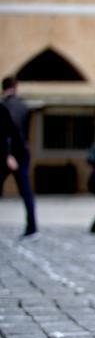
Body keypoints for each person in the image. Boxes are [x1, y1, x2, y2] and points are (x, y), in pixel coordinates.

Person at [1, 76, 38, 239]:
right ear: (16, 87)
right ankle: (32, 227)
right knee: (26, 192)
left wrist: (8, 154)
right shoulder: (23, 106)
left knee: (25, 190)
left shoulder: (6, 107)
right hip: (22, 153)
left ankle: (32, 228)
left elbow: (8, 133)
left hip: (8, 154)